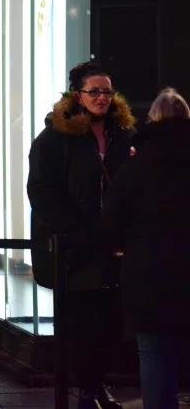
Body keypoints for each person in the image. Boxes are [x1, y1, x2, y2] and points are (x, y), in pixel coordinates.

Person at [27, 61, 134, 409]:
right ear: (78, 95)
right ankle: (87, 391)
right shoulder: (55, 137)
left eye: (107, 91)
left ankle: (97, 386)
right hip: (75, 248)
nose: (102, 98)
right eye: (95, 91)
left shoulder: (123, 132)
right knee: (82, 324)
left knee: (110, 323)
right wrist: (79, 229)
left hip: (112, 244)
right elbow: (42, 192)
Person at [102, 88, 190, 409]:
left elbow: (110, 219)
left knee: (154, 354)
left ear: (152, 118)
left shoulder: (137, 166)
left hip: (148, 275)